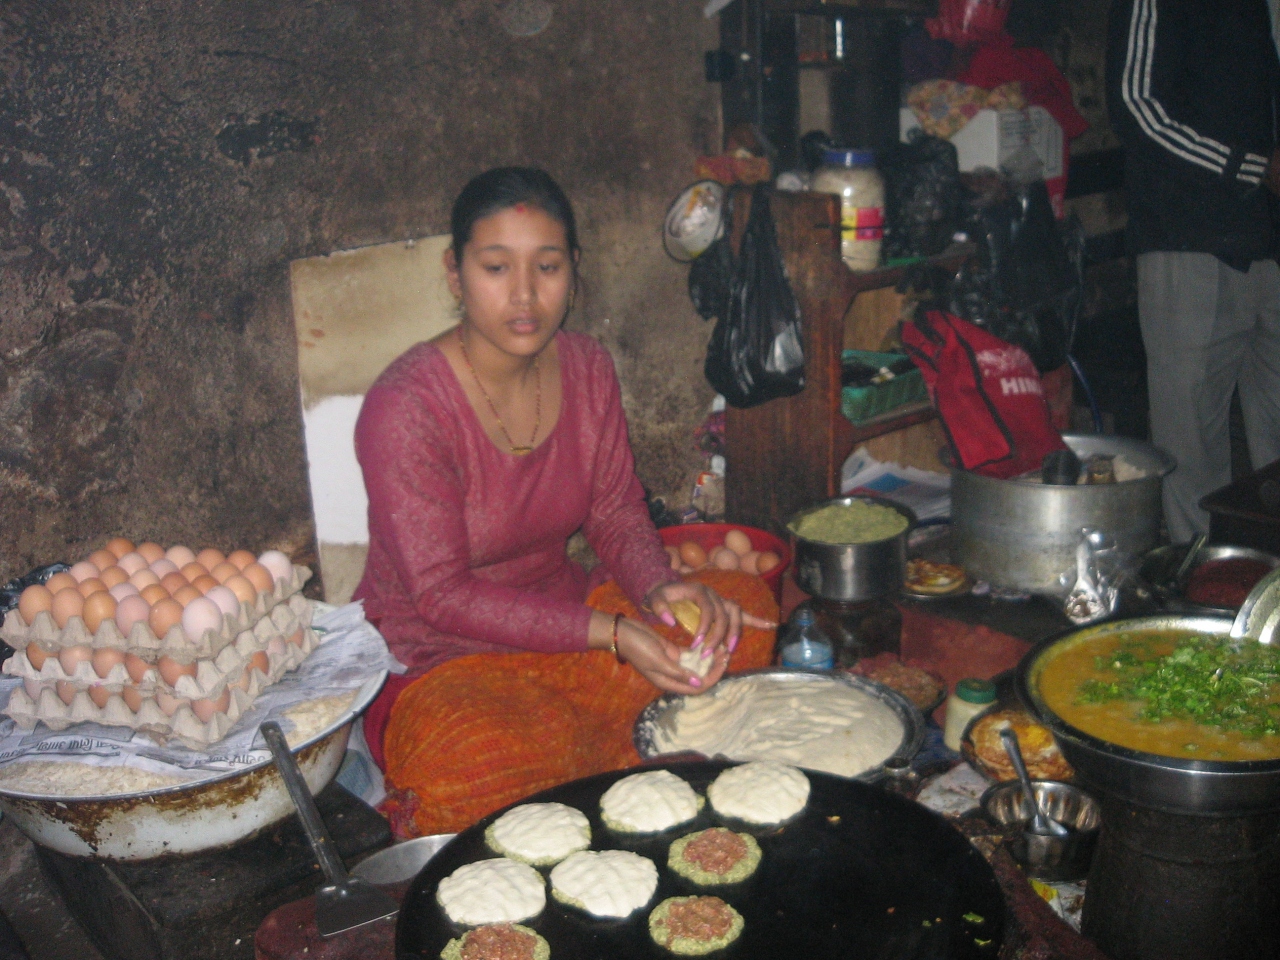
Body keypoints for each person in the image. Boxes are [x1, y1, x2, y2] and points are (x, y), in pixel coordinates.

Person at [351, 167, 778, 837]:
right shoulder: (406, 407)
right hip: (443, 659)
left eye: (547, 267)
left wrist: (659, 588)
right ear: (456, 274)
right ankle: (625, 753)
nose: (524, 295)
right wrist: (614, 634)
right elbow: (440, 596)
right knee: (464, 764)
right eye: (496, 268)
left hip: (568, 623)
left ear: (573, 271)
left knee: (742, 616)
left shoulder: (586, 368)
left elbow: (615, 513)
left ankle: (594, 759)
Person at [1107, 0, 1280, 541]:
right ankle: (1202, 577)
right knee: (1192, 453)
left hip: (1270, 242)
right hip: (1189, 242)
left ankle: (1266, 579)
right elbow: (1137, 106)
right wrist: (1252, 167)